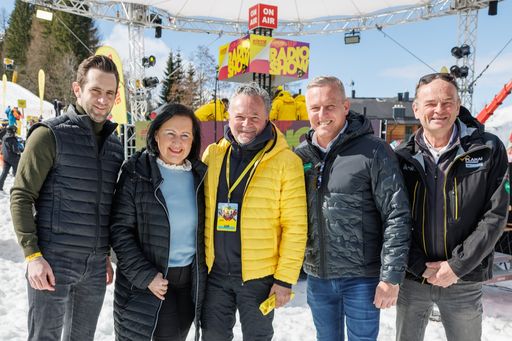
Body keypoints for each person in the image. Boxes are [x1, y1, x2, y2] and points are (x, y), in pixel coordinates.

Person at [10, 55, 124, 340]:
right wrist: (32, 255)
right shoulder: (49, 135)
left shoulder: (114, 146)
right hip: (52, 262)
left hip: (94, 267)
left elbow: (107, 206)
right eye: (95, 90)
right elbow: (21, 196)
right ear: (77, 89)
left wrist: (105, 257)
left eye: (109, 93)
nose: (102, 100)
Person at [294, 76, 411, 341]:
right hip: (318, 277)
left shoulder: (374, 151)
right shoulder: (300, 156)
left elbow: (396, 214)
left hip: (362, 279)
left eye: (330, 106)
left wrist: (391, 276)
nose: (322, 114)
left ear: (345, 106)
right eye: (315, 108)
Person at [394, 72, 509, 341]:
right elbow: (392, 218)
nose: (439, 110)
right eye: (431, 103)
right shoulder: (400, 156)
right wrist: (417, 265)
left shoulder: (488, 149)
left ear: (458, 106)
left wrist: (457, 266)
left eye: (447, 102)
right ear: (416, 108)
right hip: (413, 279)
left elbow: (495, 215)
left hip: (464, 280)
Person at [201, 82, 307, 340]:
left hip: (258, 278)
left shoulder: (287, 162)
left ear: (268, 117)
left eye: (254, 117)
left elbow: (295, 225)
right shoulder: (213, 155)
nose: (246, 124)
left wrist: (284, 279)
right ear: (228, 116)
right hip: (215, 274)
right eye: (239, 116)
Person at [110, 103, 207, 341]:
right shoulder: (136, 172)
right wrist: (147, 277)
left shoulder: (201, 176)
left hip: (188, 285)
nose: (177, 142)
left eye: (185, 135)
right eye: (170, 134)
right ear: (156, 135)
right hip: (148, 282)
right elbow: (120, 231)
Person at [0, 125, 21, 192]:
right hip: (13, 158)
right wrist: (21, 151)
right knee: (17, 173)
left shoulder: (4, 137)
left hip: (5, 157)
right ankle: (17, 188)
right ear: (13, 131)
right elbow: (15, 150)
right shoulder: (12, 139)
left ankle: (0, 186)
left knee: (4, 173)